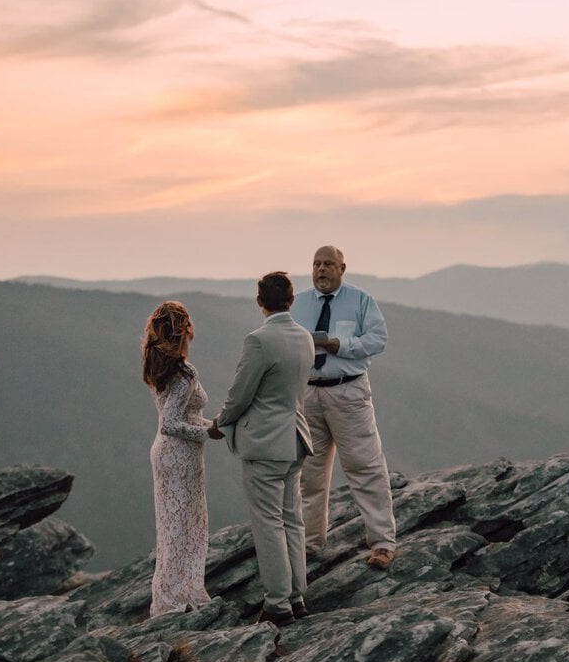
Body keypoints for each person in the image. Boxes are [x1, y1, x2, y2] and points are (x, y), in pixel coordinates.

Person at [209, 271, 315, 627]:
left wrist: (219, 423)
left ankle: (277, 603)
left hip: (266, 444)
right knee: (292, 519)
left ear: (260, 301)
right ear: (291, 299)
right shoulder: (305, 338)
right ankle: (298, 595)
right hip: (297, 438)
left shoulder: (258, 340)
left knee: (268, 524)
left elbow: (241, 394)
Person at [291, 245, 397, 570]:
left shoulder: (360, 300)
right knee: (309, 474)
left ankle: (382, 543)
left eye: (328, 265)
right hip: (308, 394)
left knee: (365, 466)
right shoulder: (299, 303)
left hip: (347, 391)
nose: (321, 270)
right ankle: (309, 543)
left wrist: (340, 345)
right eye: (316, 264)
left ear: (342, 268)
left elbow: (378, 339)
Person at [141, 301, 215, 616]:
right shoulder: (185, 372)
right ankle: (175, 598)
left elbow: (186, 416)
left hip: (169, 454)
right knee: (184, 527)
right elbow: (170, 424)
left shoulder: (164, 367)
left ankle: (175, 593)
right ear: (185, 328)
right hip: (179, 456)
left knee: (175, 526)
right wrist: (208, 434)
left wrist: (212, 425)